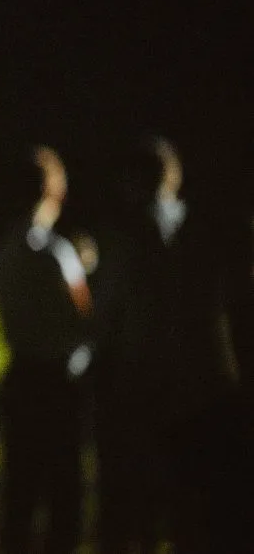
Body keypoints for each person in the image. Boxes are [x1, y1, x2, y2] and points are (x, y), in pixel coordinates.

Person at [90, 136, 245, 553]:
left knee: (130, 505)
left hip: (137, 384)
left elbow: (107, 312)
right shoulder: (202, 233)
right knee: (189, 505)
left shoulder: (123, 237)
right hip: (198, 386)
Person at [0, 145, 92, 554]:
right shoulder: (57, 253)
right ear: (55, 192)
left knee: (19, 494)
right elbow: (84, 316)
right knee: (64, 496)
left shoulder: (4, 250)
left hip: (21, 375)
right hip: (57, 381)